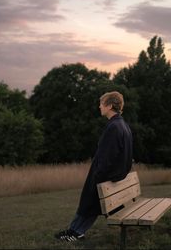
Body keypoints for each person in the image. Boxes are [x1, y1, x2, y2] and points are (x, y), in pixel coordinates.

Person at [55, 91, 133, 242]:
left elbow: (106, 158)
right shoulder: (123, 125)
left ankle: (74, 233)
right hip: (113, 178)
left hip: (105, 178)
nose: (99, 107)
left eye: (101, 104)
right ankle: (75, 231)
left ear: (110, 106)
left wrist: (98, 177)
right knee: (90, 205)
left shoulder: (114, 127)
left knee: (88, 203)